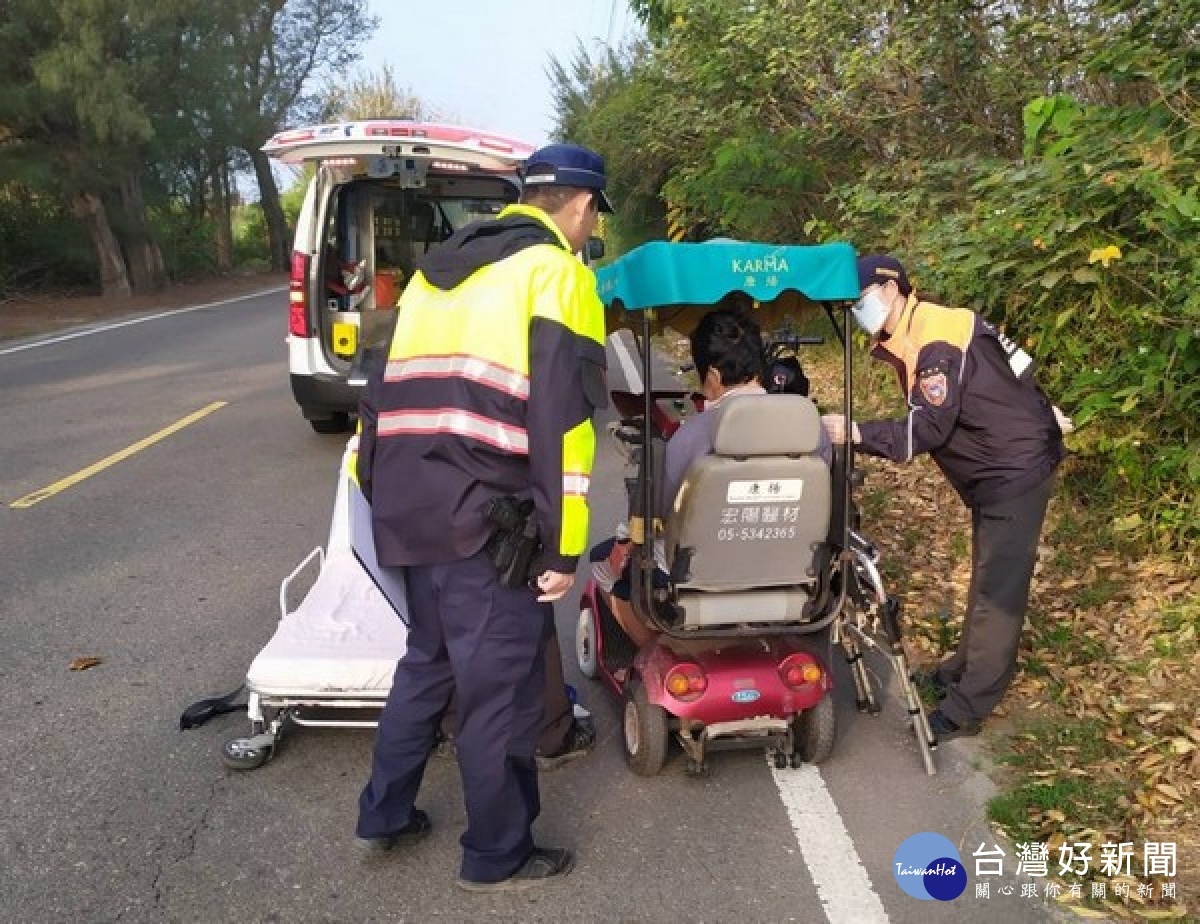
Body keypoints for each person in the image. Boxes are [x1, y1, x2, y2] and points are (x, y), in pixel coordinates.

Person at [353, 143, 612, 891]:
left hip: (409, 509)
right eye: (594, 214)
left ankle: (386, 813)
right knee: (496, 690)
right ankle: (497, 854)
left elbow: (379, 396)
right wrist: (563, 548)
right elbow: (566, 428)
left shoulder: (436, 274)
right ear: (583, 206)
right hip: (488, 525)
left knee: (428, 664)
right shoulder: (556, 274)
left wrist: (382, 500)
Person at [821, 254, 1066, 741]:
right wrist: (1039, 408)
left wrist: (853, 431)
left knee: (998, 595)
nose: (856, 310)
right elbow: (1017, 362)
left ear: (892, 290)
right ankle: (962, 669)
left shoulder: (934, 337)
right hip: (998, 464)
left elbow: (927, 427)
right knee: (988, 575)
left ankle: (966, 709)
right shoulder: (930, 325)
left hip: (1013, 469)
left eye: (860, 299)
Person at [593, 306, 832, 647]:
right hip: (790, 569)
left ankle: (658, 658)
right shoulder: (813, 430)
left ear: (714, 376)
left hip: (699, 576)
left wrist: (626, 536)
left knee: (609, 563)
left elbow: (657, 509)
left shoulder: (694, 435)